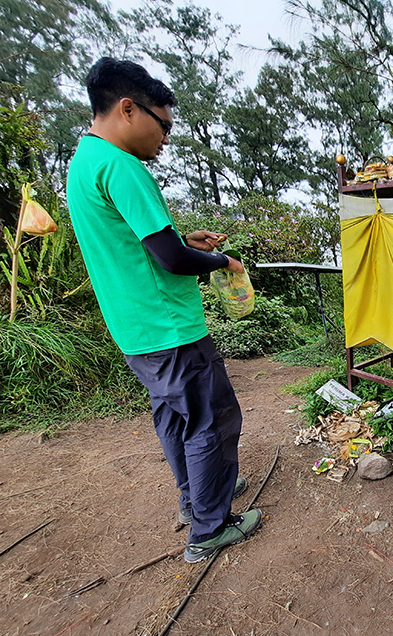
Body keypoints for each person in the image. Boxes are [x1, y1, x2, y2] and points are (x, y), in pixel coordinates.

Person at [67, 57, 262, 563]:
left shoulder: (84, 163)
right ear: (130, 109)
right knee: (212, 421)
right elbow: (172, 260)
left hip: (136, 330)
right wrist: (221, 258)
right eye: (164, 125)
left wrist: (185, 238)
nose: (167, 138)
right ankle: (210, 527)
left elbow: (144, 246)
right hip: (170, 327)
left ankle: (195, 496)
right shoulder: (122, 166)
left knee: (175, 418)